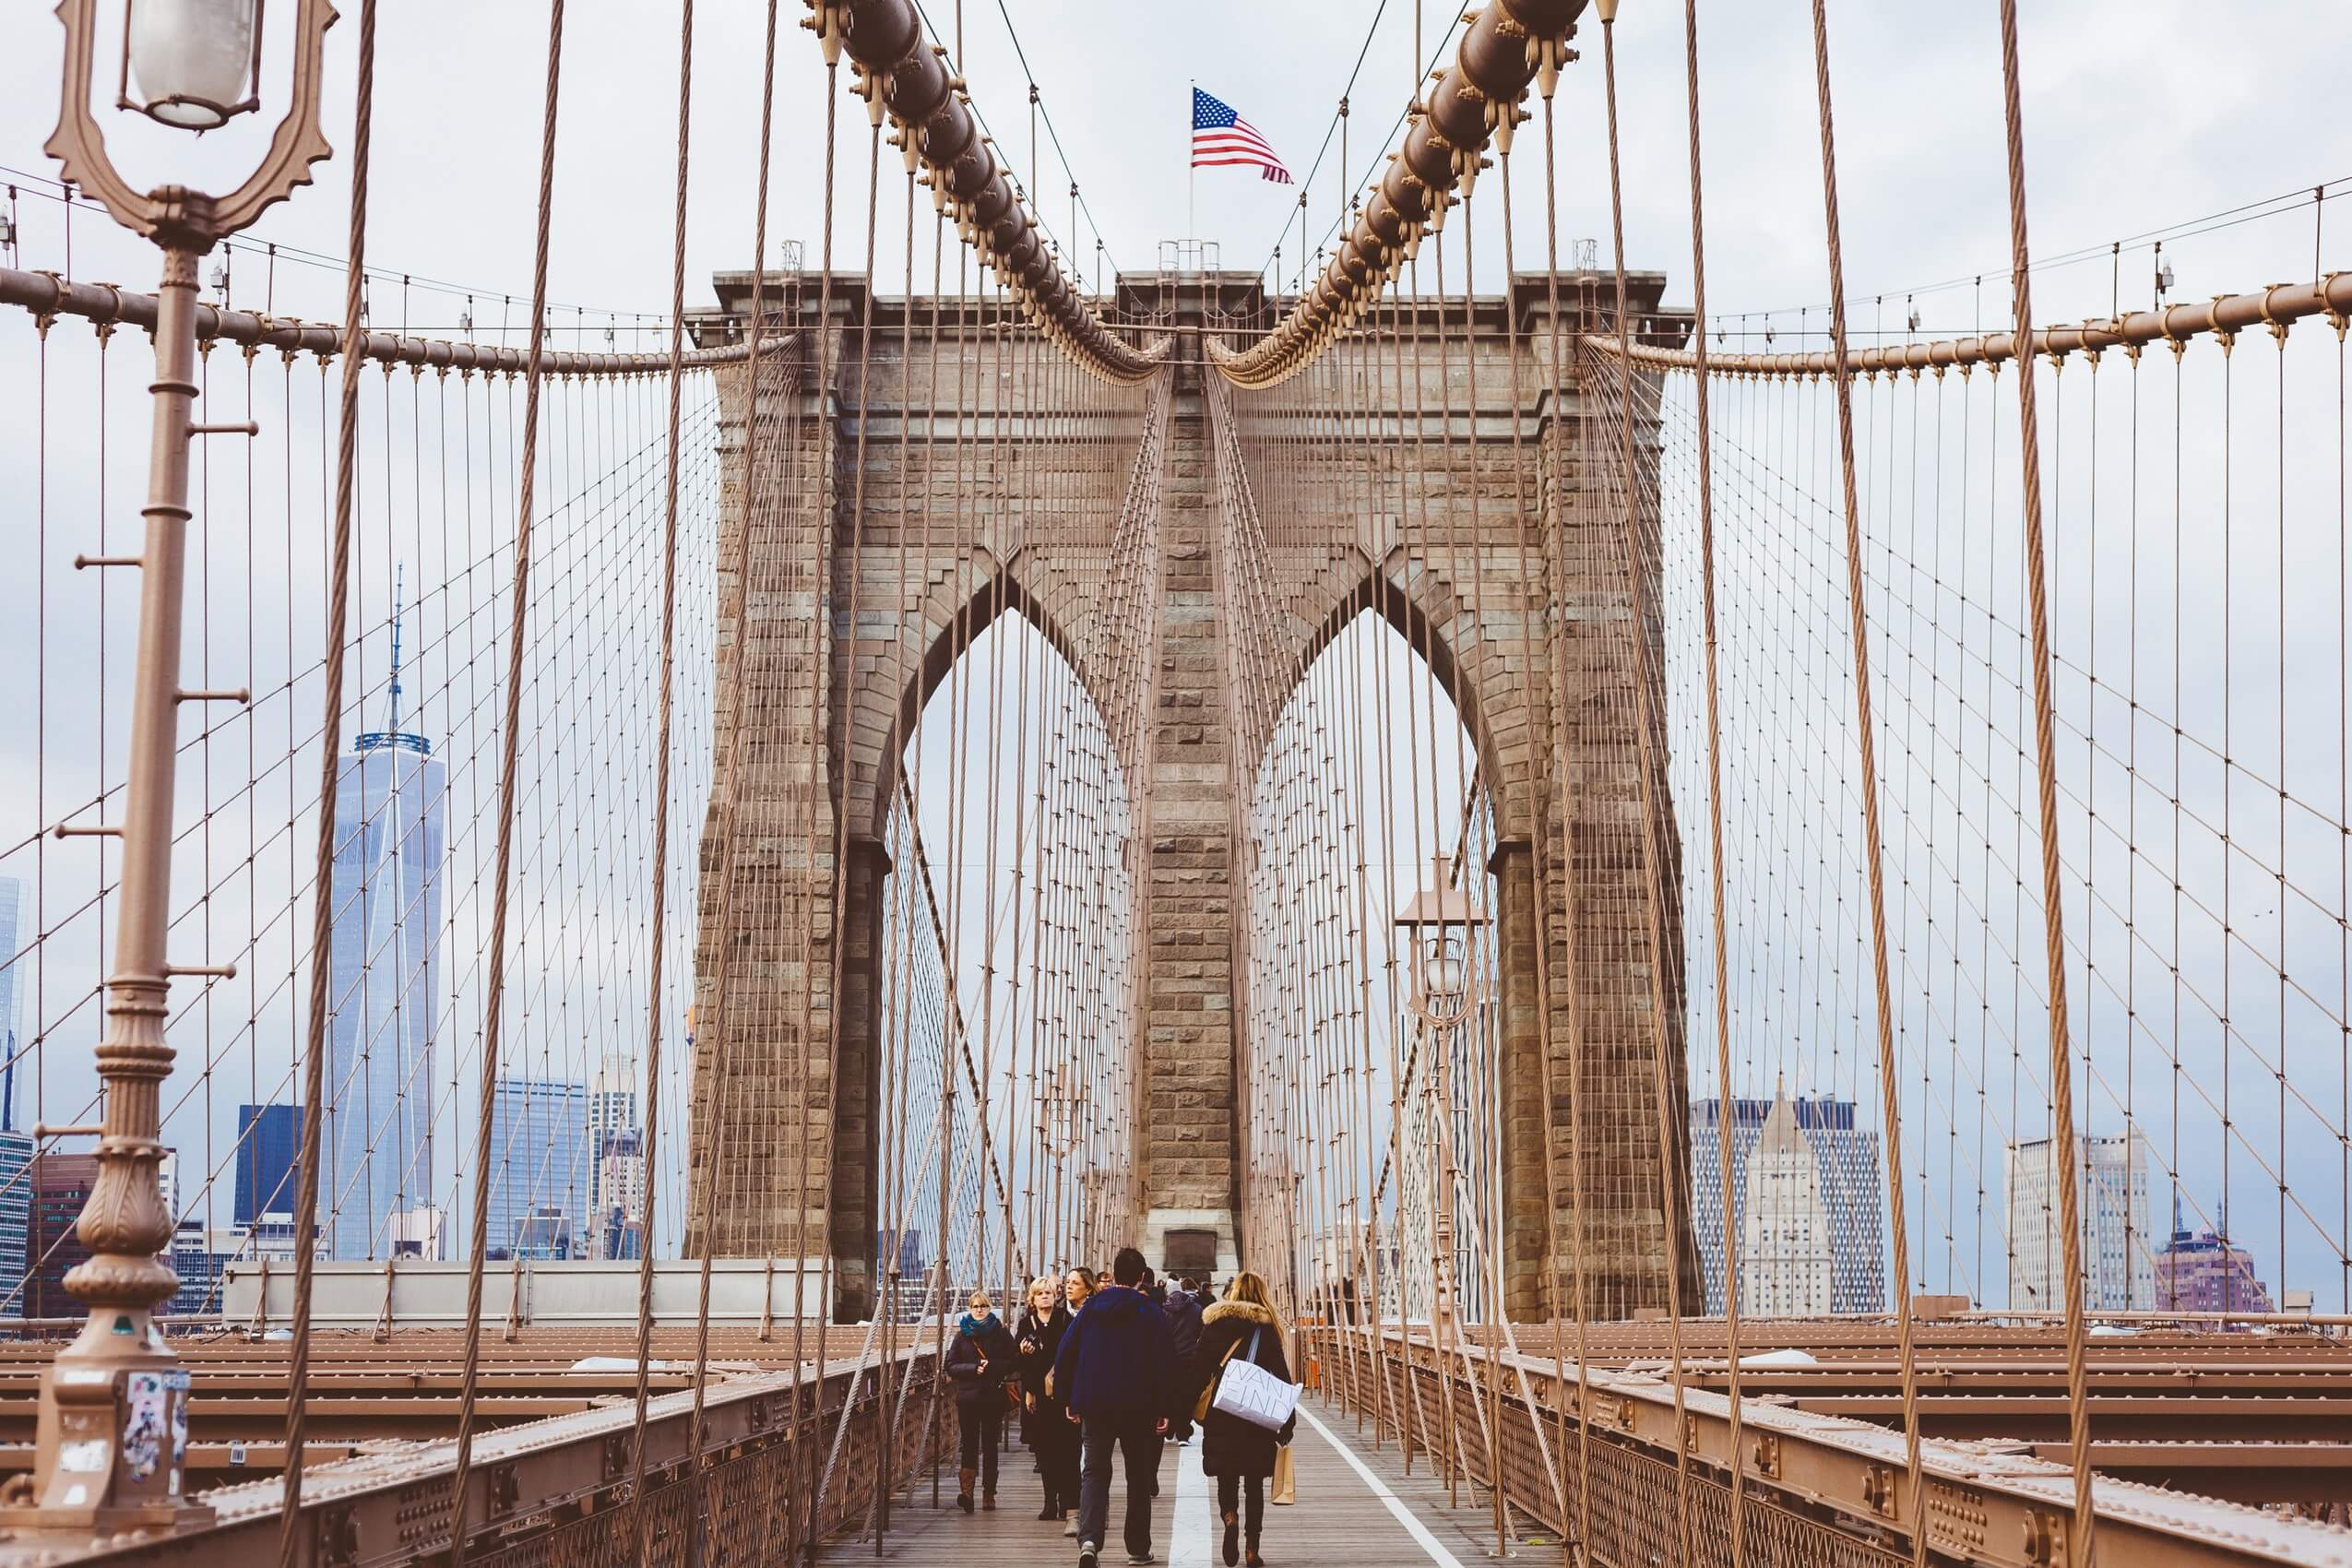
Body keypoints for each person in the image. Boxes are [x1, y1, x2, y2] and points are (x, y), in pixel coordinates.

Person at [1054, 1245, 1175, 1568]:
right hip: (1139, 1407)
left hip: (1095, 1405)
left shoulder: (1092, 1308)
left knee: (1093, 1471)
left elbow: (1065, 1353)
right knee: (1137, 1475)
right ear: (1141, 1278)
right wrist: (1166, 1408)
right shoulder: (1151, 1312)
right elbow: (1166, 1363)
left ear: (1115, 1273)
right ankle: (1137, 1547)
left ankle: (1090, 1539)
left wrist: (1068, 1398)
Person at [1185, 1272, 1296, 1568]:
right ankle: (1252, 1549)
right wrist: (1288, 1420)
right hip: (1256, 1418)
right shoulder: (1266, 1330)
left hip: (1222, 1414)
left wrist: (1182, 1410)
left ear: (1232, 1294)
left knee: (1227, 1477)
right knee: (1254, 1484)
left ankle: (1230, 1518)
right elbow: (1281, 1378)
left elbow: (1197, 1371)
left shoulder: (1214, 1326)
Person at [946, 1289, 1016, 1514]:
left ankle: (989, 1494)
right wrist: (973, 1368)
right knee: (969, 1445)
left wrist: (992, 1366)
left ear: (989, 1308)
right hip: (968, 1398)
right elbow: (950, 1365)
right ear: (970, 1309)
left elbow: (1013, 1361)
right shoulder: (961, 1335)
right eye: (975, 1306)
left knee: (990, 1446)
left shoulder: (1001, 1334)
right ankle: (967, 1494)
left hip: (992, 1397)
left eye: (983, 1306)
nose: (979, 1310)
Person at [1015, 1275, 1076, 1523]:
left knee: (1067, 1450)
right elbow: (1018, 1362)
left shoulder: (1066, 1320)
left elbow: (1073, 1355)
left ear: (1055, 1296)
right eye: (1040, 1293)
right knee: (1044, 1451)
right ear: (1033, 1298)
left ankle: (1066, 1502)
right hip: (1038, 1395)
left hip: (1063, 1394)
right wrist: (1023, 1352)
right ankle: (1049, 1501)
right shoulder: (1025, 1324)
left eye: (1048, 1293)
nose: (1044, 1297)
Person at [1164, 1278, 1206, 1446]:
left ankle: (1170, 1429)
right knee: (1187, 1395)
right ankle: (1183, 1433)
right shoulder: (1196, 1309)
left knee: (1172, 1393)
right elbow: (1200, 1333)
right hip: (1190, 1358)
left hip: (1170, 1359)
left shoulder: (1164, 1310)